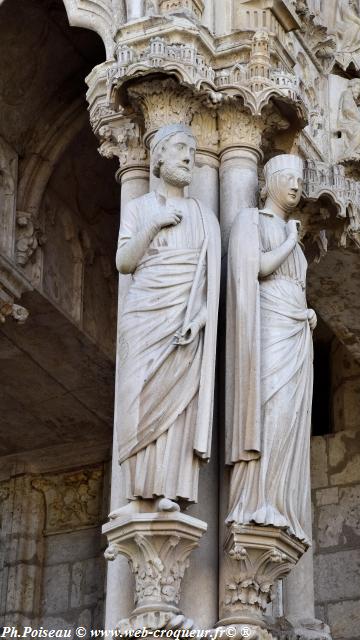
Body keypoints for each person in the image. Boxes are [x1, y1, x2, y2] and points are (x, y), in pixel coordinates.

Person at [112, 124, 220, 517]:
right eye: (179, 149)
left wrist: (202, 316)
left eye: (192, 150)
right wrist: (154, 224)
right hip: (145, 315)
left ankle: (168, 490)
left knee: (177, 405)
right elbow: (124, 262)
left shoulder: (205, 216)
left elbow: (213, 286)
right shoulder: (140, 208)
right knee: (137, 397)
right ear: (157, 158)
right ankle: (137, 495)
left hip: (185, 322)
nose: (188, 157)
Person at [225, 154, 316, 544]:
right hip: (269, 325)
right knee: (271, 408)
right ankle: (255, 500)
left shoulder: (290, 232)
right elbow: (256, 269)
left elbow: (294, 284)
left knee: (292, 418)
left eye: (300, 179)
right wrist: (291, 241)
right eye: (289, 178)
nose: (296, 185)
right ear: (269, 181)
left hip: (295, 328)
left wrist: (307, 313)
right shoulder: (252, 221)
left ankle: (280, 502)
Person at [337, 78, 360, 159]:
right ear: (352, 85)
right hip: (345, 122)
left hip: (350, 122)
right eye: (358, 88)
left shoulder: (351, 98)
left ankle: (357, 150)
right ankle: (349, 151)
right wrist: (359, 119)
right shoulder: (347, 93)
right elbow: (346, 109)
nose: (359, 91)